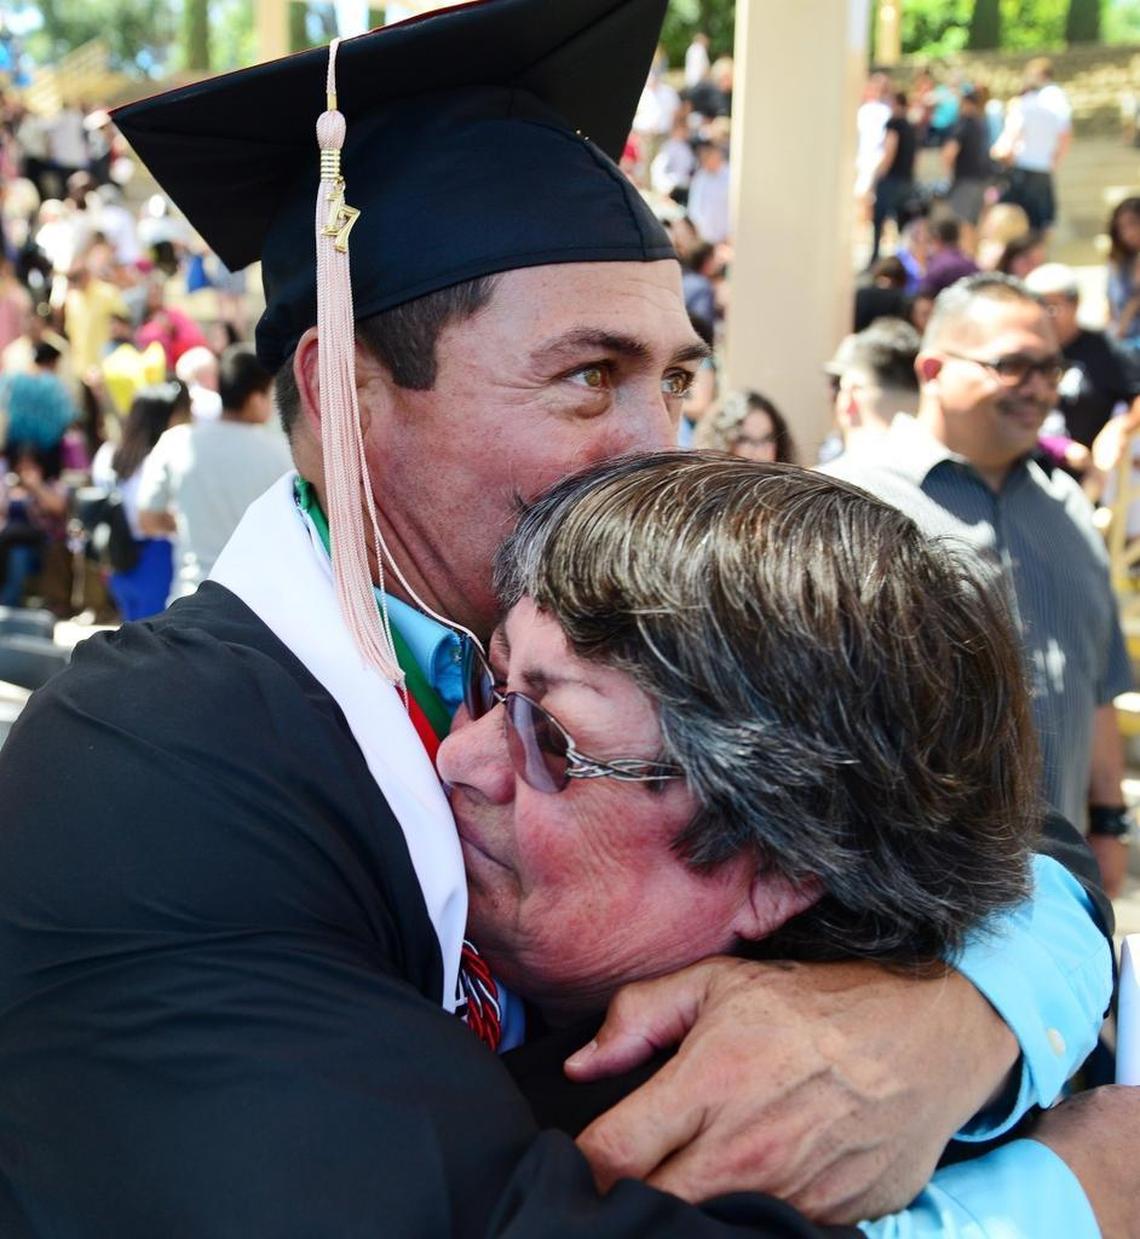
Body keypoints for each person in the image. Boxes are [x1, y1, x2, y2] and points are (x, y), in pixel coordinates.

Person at [0, 4, 1114, 1233]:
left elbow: (994, 827)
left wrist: (967, 1023)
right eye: (591, 376)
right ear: (345, 392)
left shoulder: (652, 620)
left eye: (675, 377)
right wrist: (1076, 1192)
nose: (659, 442)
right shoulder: (155, 763)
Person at [442, 450, 1135, 1238]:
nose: (458, 757)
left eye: (550, 738)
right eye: (488, 685)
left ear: (783, 861)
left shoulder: (578, 1176)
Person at [826, 273, 1133, 899]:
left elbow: (1098, 684)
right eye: (1014, 366)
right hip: (902, 897)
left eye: (1051, 368)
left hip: (1059, 895)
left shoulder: (1068, 509)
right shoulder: (843, 504)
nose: (1041, 388)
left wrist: (1107, 824)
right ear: (933, 368)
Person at [137, 343, 292, 600]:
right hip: (257, 601)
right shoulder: (281, 454)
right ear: (256, 399)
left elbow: (147, 519)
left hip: (191, 594)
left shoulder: (175, 442)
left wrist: (187, 523)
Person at [1025, 261, 1140, 475]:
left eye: (1051, 307)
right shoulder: (1023, 352)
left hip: (1090, 477)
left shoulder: (1106, 351)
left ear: (1075, 303)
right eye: (1035, 307)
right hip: (1030, 471)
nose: (1043, 316)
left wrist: (1121, 427)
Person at [90, 382, 186, 621]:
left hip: (117, 556)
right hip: (156, 558)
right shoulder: (159, 460)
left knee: (132, 632)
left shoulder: (108, 454)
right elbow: (152, 519)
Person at [992, 60, 1071, 233]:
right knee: (1043, 221)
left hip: (1024, 168)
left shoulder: (1023, 106)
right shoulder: (1056, 103)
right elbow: (1065, 135)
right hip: (1043, 168)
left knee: (1020, 219)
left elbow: (1010, 138)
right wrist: (1054, 160)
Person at [824, 317, 919, 458]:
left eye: (837, 385)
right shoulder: (946, 473)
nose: (831, 395)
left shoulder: (829, 474)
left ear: (850, 396)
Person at [869, 92, 916, 265]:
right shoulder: (911, 127)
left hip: (891, 181)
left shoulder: (894, 124)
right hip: (906, 181)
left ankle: (875, 260)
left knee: (880, 221)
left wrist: (876, 176)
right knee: (902, 226)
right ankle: (902, 262)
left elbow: (889, 152)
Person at [693, 389, 797, 463]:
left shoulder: (792, 490)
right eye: (744, 440)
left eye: (767, 439)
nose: (758, 453)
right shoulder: (702, 492)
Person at [942, 87, 991, 225]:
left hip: (965, 182)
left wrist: (949, 176)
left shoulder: (964, 123)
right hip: (981, 181)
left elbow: (949, 152)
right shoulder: (982, 124)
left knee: (961, 224)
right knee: (972, 225)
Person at [1105, 195, 1140, 349]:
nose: (1128, 233)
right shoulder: (1117, 262)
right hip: (1123, 342)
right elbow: (1111, 305)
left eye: (1133, 224)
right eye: (1122, 227)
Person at [917, 216, 978, 299]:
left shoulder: (936, 267)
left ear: (937, 238)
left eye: (929, 241)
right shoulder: (972, 265)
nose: (927, 247)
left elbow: (924, 299)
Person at [687, 139, 731, 245]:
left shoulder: (730, 174)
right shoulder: (700, 178)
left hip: (728, 237)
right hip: (706, 237)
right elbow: (694, 208)